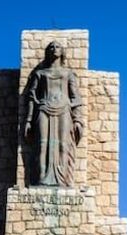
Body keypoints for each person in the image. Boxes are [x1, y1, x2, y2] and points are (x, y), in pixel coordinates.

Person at [23, 40, 85, 187]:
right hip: (43, 109)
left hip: (64, 110)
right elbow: (32, 97)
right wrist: (29, 120)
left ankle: (62, 180)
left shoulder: (68, 74)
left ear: (62, 51)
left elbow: (75, 97)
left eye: (57, 46)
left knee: (64, 145)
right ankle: (42, 179)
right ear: (47, 51)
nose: (54, 49)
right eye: (51, 47)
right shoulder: (40, 74)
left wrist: (77, 119)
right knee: (42, 145)